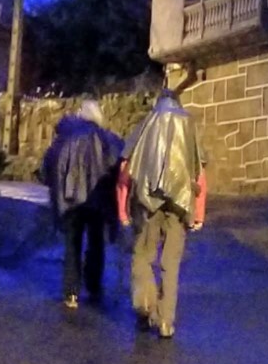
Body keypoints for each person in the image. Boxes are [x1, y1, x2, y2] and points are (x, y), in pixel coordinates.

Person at [116, 86, 206, 338]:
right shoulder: (189, 125)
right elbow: (200, 170)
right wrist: (199, 212)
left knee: (143, 254)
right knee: (171, 262)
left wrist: (123, 207)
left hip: (147, 201)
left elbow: (126, 166)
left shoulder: (147, 123)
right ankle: (166, 320)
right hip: (180, 203)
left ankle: (145, 303)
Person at [42, 98, 123, 308]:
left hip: (71, 200)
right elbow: (118, 166)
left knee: (72, 244)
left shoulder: (65, 138)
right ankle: (94, 288)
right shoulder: (108, 139)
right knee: (97, 244)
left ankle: (71, 293)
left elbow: (49, 164)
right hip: (98, 200)